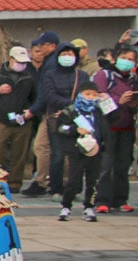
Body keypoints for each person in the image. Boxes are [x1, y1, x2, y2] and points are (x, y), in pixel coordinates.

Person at [52, 81, 115, 221]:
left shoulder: (100, 111)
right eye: (87, 94)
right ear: (80, 94)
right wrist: (75, 130)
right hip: (76, 149)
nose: (91, 97)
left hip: (96, 150)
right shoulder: (70, 111)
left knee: (93, 180)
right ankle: (66, 206)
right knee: (73, 180)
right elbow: (60, 128)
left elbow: (115, 118)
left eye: (94, 95)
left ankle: (89, 207)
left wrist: (107, 103)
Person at [35, 41, 90, 200]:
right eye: (64, 54)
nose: (67, 57)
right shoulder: (50, 75)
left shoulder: (82, 75)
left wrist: (73, 106)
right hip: (57, 118)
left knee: (76, 154)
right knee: (57, 154)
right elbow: (49, 96)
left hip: (77, 120)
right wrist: (70, 105)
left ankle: (75, 189)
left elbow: (85, 94)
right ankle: (56, 189)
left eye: (71, 54)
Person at [0, 46, 39, 192]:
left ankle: (14, 183)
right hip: (1, 119)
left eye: (24, 62)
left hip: (22, 121)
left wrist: (31, 111)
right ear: (11, 59)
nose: (22, 64)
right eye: (19, 61)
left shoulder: (30, 77)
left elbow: (36, 98)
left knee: (19, 153)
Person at [93, 46, 138, 213]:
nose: (127, 61)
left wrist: (133, 103)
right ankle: (101, 200)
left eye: (131, 59)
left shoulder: (133, 78)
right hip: (108, 126)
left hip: (126, 126)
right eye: (124, 57)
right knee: (106, 164)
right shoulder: (104, 75)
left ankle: (121, 199)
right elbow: (98, 96)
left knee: (123, 164)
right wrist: (119, 100)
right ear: (116, 58)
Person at [22, 31, 61, 196]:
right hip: (49, 110)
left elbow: (46, 92)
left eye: (42, 44)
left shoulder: (52, 64)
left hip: (52, 111)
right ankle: (48, 181)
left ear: (52, 46)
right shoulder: (51, 62)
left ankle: (44, 182)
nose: (39, 47)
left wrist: (32, 110)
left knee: (43, 146)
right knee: (48, 147)